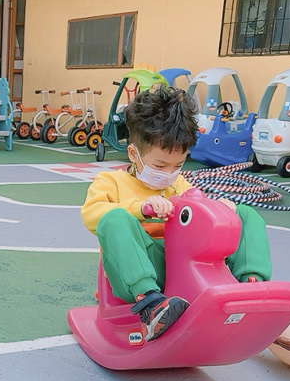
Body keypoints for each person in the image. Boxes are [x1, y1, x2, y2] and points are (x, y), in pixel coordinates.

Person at [80, 87, 271, 342]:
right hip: (139, 272)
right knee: (114, 219)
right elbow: (92, 215)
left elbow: (199, 218)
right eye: (160, 165)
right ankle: (151, 306)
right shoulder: (110, 182)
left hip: (181, 268)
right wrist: (141, 208)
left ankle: (251, 287)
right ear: (134, 154)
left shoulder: (178, 185)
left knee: (244, 213)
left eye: (178, 165)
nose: (169, 173)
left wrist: (221, 208)